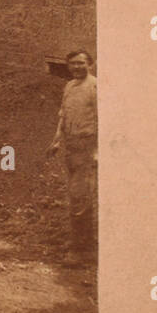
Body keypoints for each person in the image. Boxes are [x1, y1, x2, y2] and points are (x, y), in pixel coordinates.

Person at [48, 50, 97, 260]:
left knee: (80, 195)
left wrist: (97, 152)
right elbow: (63, 114)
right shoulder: (69, 85)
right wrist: (57, 139)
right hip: (71, 146)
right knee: (76, 194)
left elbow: (104, 119)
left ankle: (81, 250)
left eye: (81, 63)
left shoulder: (95, 87)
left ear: (90, 64)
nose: (77, 67)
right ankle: (83, 240)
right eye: (73, 64)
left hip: (87, 146)